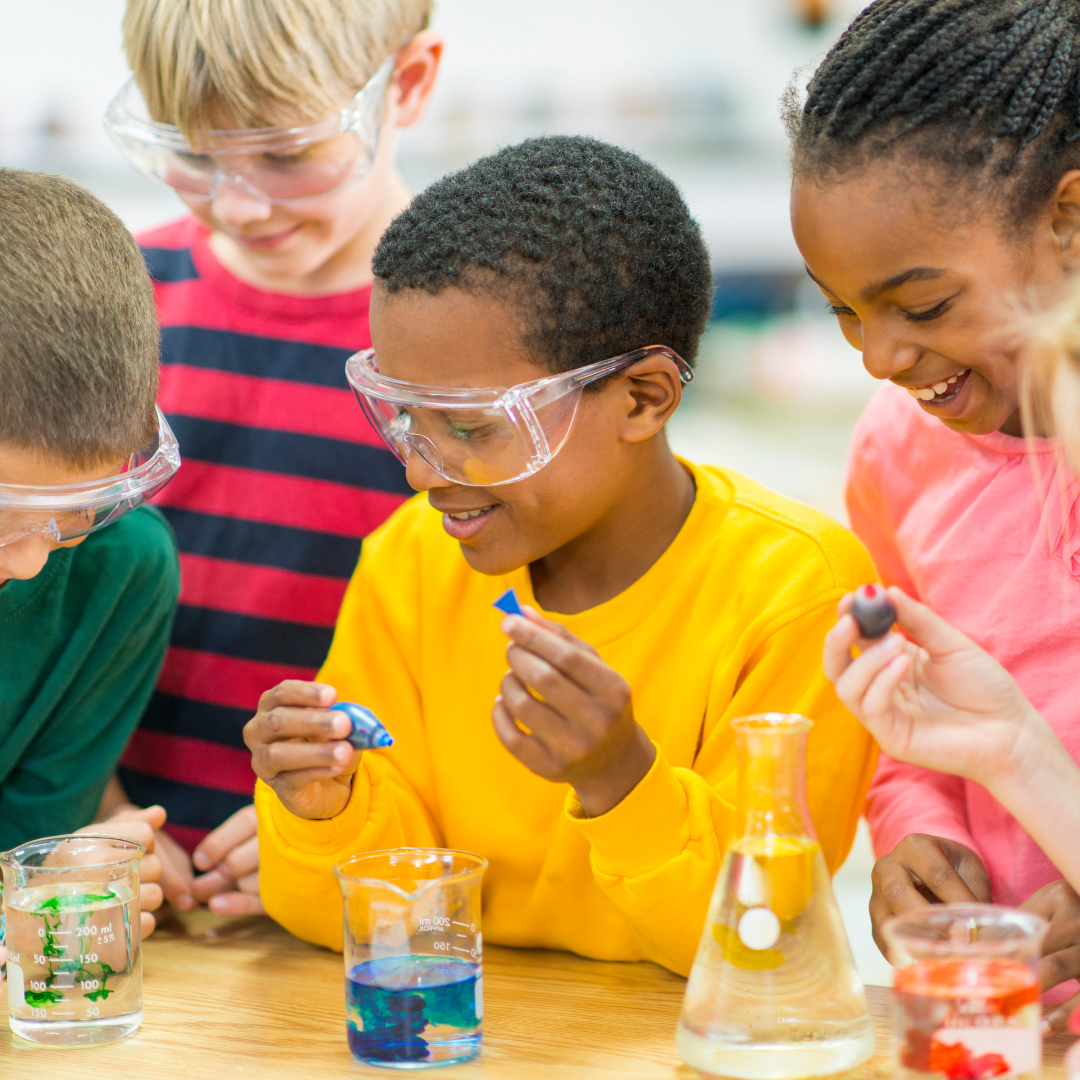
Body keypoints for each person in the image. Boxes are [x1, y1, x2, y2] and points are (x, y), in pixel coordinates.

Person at [245, 135, 880, 975]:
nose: (418, 467)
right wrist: (323, 807)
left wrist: (619, 775)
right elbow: (355, 915)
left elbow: (755, 941)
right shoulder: (410, 560)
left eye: (470, 426)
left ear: (642, 398)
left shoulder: (800, 592)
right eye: (405, 417)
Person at [100, 0, 442, 920]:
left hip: (360, 888)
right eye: (194, 156)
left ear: (406, 85)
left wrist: (340, 825)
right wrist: (98, 815)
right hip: (122, 879)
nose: (240, 202)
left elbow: (496, 639)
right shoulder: (112, 307)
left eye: (288, 155)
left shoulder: (471, 354)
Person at [785, 0, 1080, 1005]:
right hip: (1000, 1017)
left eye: (922, 306)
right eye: (845, 310)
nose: (880, 356)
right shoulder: (897, 450)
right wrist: (916, 834)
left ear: (1070, 219)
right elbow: (908, 712)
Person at [0, 168, 181, 948]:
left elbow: (22, 860)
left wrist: (63, 880)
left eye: (75, 514)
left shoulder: (118, 570)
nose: (35, 562)